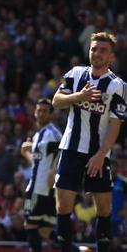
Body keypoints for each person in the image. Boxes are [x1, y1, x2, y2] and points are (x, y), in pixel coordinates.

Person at [52, 31, 126, 252]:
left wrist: (101, 154)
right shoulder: (75, 74)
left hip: (98, 154)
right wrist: (79, 97)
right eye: (94, 49)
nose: (97, 53)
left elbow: (116, 123)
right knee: (63, 205)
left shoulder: (117, 85)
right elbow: (57, 101)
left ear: (111, 56)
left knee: (104, 209)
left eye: (103, 50)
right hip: (71, 148)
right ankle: (66, 248)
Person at [20, 98, 62, 252]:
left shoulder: (52, 133)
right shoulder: (39, 135)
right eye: (39, 110)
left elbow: (64, 150)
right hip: (45, 189)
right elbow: (39, 163)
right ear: (34, 112)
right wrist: (26, 153)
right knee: (44, 230)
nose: (41, 114)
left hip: (40, 188)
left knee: (29, 225)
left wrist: (55, 170)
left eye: (45, 111)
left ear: (51, 114)